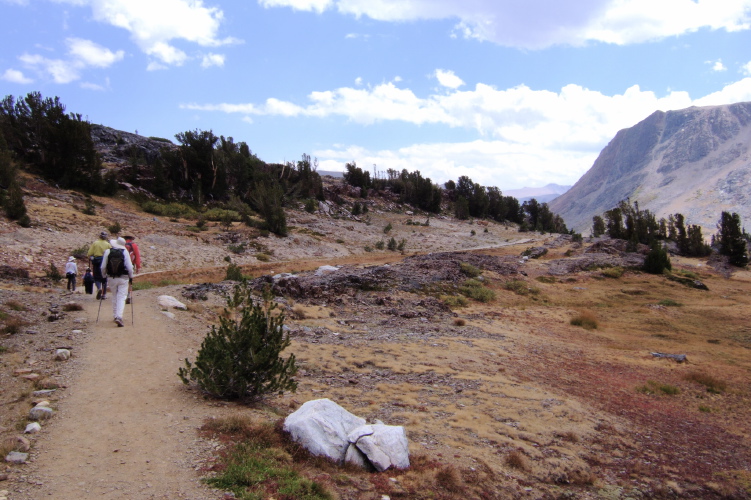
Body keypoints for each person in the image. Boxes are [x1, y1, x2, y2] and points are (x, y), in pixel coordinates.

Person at [101, 237, 134, 327]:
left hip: (111, 277)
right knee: (121, 297)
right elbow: (130, 267)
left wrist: (104, 276)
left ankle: (115, 315)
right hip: (123, 278)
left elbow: (103, 267)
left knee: (114, 295)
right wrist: (131, 276)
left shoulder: (108, 252)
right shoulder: (125, 252)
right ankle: (119, 316)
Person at [87, 231, 111, 300]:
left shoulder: (95, 243)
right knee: (104, 278)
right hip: (105, 261)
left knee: (96, 277)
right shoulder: (107, 244)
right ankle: (104, 294)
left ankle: (99, 288)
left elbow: (89, 253)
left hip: (96, 261)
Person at [123, 235, 141, 304]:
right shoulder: (134, 245)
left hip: (122, 265)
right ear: (131, 239)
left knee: (123, 280)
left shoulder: (122, 245)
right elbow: (137, 256)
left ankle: (122, 295)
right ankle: (129, 295)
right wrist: (138, 267)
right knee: (130, 280)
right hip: (131, 265)